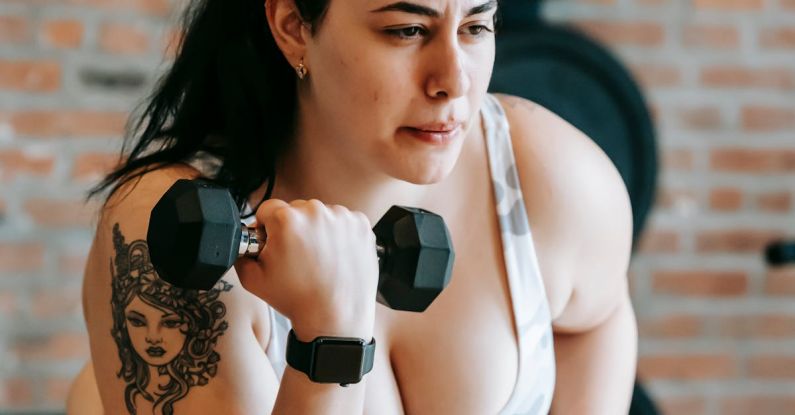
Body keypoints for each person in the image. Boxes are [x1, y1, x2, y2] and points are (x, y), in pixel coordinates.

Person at [67, 0, 638, 414]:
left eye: (475, 25)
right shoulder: (167, 230)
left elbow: (598, 316)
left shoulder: (549, 175)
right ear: (293, 27)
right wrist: (328, 341)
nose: (453, 81)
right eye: (408, 29)